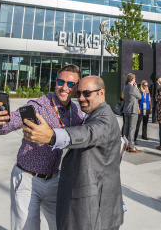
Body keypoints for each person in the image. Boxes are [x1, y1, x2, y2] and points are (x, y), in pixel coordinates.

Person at [0, 64, 84, 230]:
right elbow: (8, 125)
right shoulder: (39, 105)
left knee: (63, 225)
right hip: (27, 179)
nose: (64, 87)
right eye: (60, 81)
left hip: (54, 180)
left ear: (76, 87)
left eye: (70, 84)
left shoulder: (75, 112)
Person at [22, 76, 124, 230]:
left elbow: (87, 133)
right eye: (79, 93)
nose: (81, 98)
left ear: (101, 93)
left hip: (94, 212)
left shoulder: (104, 119)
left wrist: (52, 136)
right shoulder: (91, 115)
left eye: (87, 93)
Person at [122, 73, 141, 153]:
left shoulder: (125, 87)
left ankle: (125, 145)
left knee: (126, 127)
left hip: (126, 109)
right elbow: (139, 96)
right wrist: (136, 88)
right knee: (132, 128)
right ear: (133, 79)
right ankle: (131, 146)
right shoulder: (132, 88)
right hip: (133, 110)